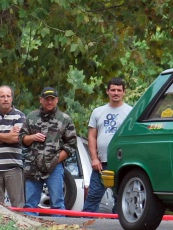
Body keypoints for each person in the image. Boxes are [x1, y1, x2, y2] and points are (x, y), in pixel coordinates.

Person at [20, 87, 77, 215]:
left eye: (52, 99)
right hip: (33, 166)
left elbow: (72, 145)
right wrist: (32, 137)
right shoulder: (31, 116)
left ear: (57, 100)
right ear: (41, 100)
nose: (49, 102)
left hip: (54, 168)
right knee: (30, 204)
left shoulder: (65, 119)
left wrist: (56, 160)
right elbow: (22, 139)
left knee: (57, 203)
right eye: (46, 99)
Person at [82, 77, 133, 214]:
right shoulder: (98, 112)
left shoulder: (131, 112)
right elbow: (92, 136)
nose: (116, 93)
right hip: (101, 164)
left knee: (121, 198)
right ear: (107, 91)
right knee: (93, 196)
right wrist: (94, 158)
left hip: (122, 163)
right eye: (113, 90)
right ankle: (84, 228)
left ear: (124, 92)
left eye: (119, 90)